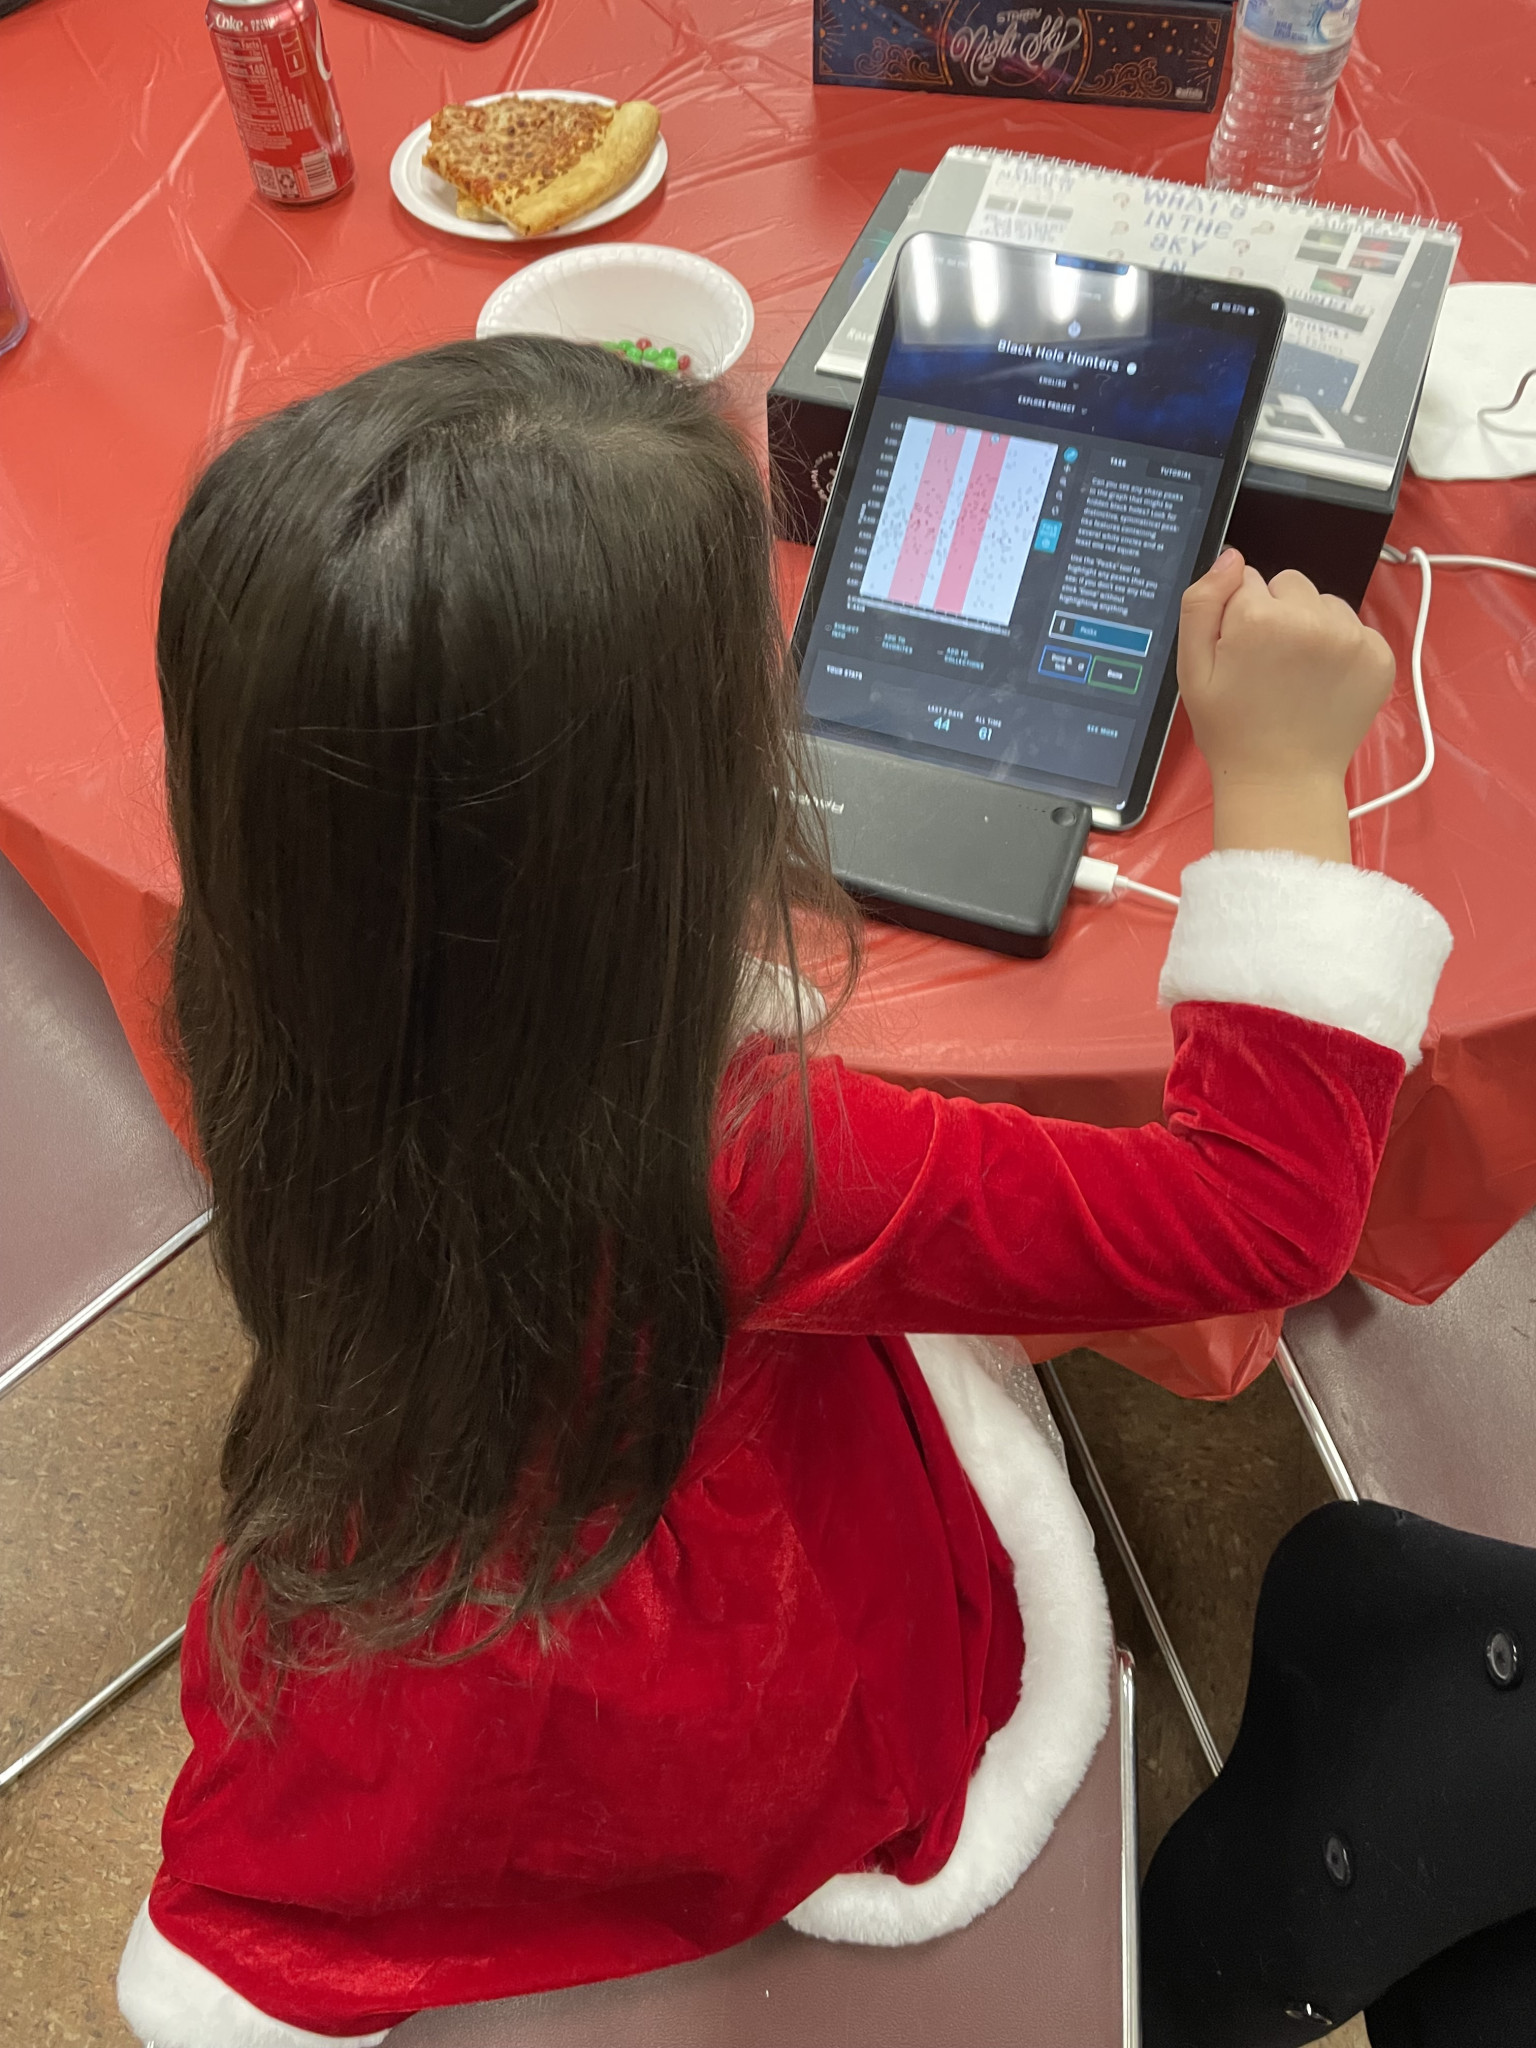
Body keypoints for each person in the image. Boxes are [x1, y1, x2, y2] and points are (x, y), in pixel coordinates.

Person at [118, 336, 1451, 2048]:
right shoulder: (747, 1161)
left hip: (446, 1513)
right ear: (665, 821)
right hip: (717, 1658)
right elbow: (1260, 1210)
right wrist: (1278, 774)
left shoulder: (266, 985)